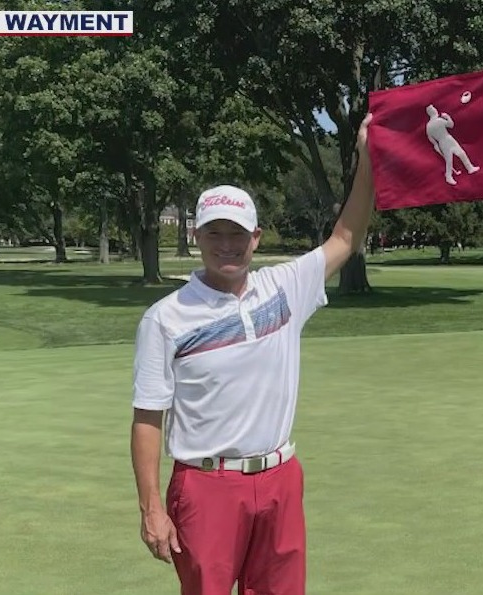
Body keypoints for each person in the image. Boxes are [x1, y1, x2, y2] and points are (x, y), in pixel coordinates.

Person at [130, 114, 376, 595]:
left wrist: (366, 160)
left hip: (281, 477)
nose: (227, 246)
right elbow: (147, 418)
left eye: (237, 234)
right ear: (197, 237)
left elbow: (346, 236)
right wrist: (151, 508)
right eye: (215, 234)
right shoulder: (166, 318)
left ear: (256, 237)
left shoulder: (283, 288)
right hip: (207, 486)